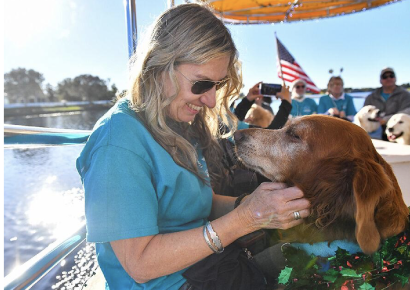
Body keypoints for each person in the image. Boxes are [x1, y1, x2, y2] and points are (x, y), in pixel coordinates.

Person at [76, 4, 310, 290]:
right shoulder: (117, 143)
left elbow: (201, 201)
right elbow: (140, 264)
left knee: (312, 262)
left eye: (218, 85)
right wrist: (246, 218)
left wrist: (252, 204)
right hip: (174, 284)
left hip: (210, 265)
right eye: (201, 84)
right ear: (159, 65)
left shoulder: (175, 124)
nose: (211, 101)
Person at [364, 67, 410, 140]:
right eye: (385, 77)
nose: (388, 78)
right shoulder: (370, 97)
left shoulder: (406, 95)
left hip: (397, 134)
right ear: (380, 80)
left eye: (391, 76)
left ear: (395, 78)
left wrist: (386, 119)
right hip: (374, 132)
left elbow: (407, 112)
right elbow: (364, 115)